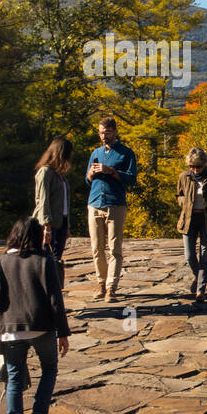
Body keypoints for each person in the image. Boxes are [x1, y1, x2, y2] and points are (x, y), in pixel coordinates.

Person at [0, 217, 70, 414]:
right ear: (35, 236)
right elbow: (55, 300)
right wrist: (63, 333)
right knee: (49, 368)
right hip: (42, 327)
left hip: (11, 329)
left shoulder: (2, 262)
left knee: (14, 379)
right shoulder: (44, 261)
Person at [86, 116, 137, 302]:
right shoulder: (95, 153)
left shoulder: (126, 153)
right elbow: (87, 179)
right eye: (100, 133)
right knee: (96, 248)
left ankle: (111, 288)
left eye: (106, 132)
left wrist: (112, 172)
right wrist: (91, 173)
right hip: (94, 204)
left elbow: (132, 178)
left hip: (115, 204)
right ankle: (101, 284)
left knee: (114, 248)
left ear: (115, 131)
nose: (103, 136)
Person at [176, 147, 207, 305]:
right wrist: (183, 202)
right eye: (191, 166)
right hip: (189, 220)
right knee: (189, 256)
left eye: (197, 166)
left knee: (204, 256)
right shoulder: (184, 176)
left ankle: (200, 291)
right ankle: (199, 278)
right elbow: (179, 194)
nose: (194, 169)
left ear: (205, 164)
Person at [33, 136, 73, 289]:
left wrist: (67, 225)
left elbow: (64, 203)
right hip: (48, 223)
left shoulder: (60, 175)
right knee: (45, 262)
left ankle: (53, 297)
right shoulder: (45, 172)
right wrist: (46, 226)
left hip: (61, 222)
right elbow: (42, 201)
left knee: (56, 262)